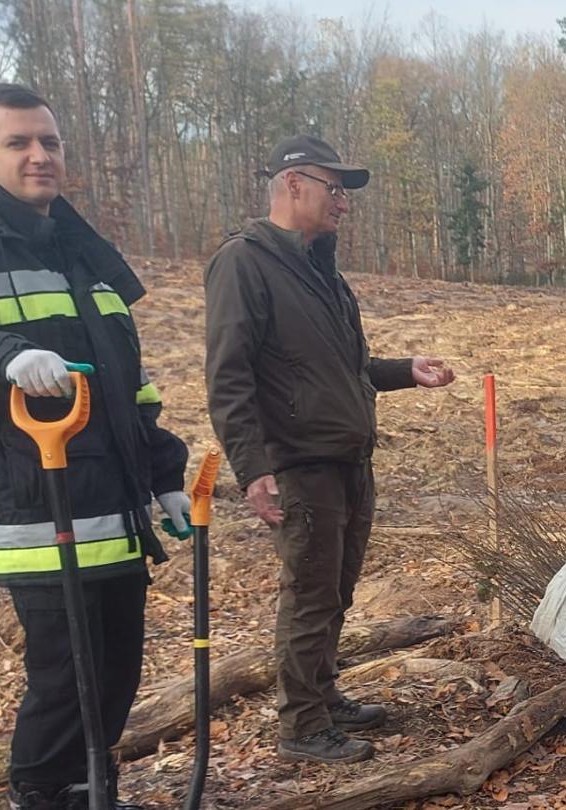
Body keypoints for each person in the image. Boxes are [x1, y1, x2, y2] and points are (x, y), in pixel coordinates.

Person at [0, 83, 190, 809]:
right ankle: (44, 794)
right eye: (19, 143)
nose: (38, 156)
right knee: (67, 678)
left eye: (49, 142)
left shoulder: (80, 252)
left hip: (114, 510)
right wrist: (0, 361)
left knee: (114, 673)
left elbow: (130, 385)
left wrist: (164, 475)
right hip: (40, 509)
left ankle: (95, 793)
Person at [203, 135, 456, 764]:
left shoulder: (319, 268)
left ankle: (323, 694)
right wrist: (252, 469)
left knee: (336, 590)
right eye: (333, 188)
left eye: (344, 191)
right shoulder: (245, 262)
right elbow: (227, 376)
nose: (343, 202)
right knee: (310, 595)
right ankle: (303, 726)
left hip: (347, 457)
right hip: (299, 463)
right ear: (293, 185)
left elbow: (343, 367)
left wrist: (405, 370)